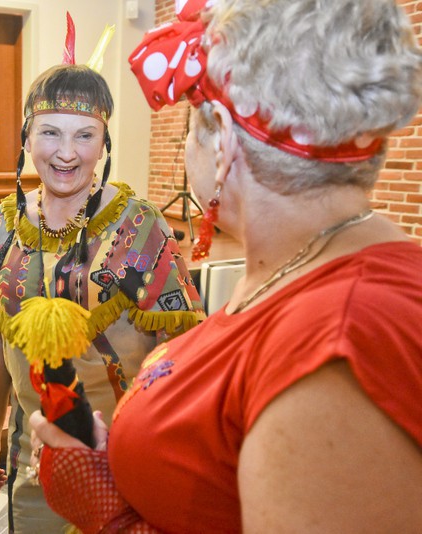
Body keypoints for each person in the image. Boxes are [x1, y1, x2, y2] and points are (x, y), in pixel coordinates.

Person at [30, 0, 422, 532]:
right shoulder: (295, 266)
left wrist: (108, 514)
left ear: (223, 140)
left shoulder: (340, 343)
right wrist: (115, 461)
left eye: (191, 123)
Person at [0, 62, 204, 531]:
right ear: (26, 138)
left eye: (85, 136)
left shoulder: (143, 227)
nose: (67, 154)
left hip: (123, 460)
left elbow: (175, 353)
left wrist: (162, 456)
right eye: (50, 133)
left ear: (105, 143)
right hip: (32, 461)